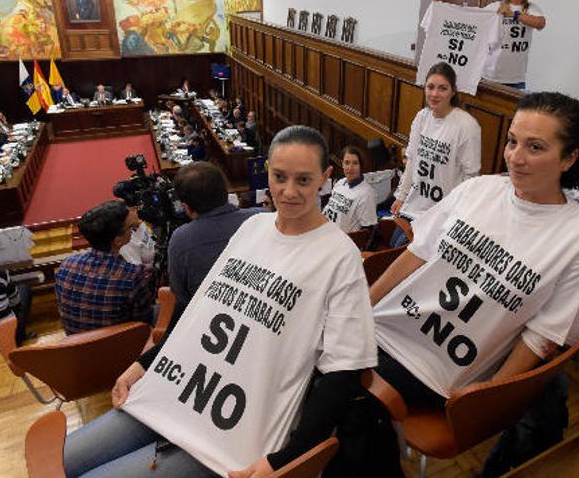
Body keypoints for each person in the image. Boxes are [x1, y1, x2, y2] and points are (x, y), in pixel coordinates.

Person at [63, 126, 377, 478]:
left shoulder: (339, 255)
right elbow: (198, 313)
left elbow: (344, 370)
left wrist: (286, 458)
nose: (289, 192)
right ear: (267, 171)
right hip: (176, 387)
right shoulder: (251, 228)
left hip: (232, 428)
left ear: (325, 178)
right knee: (62, 461)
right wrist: (146, 364)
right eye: (279, 177)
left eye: (304, 180)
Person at [370, 93, 579, 453]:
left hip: (435, 368)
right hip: (385, 324)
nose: (516, 157)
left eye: (536, 147)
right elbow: (415, 255)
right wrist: (362, 305)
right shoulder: (479, 188)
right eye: (513, 141)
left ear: (570, 158)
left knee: (340, 401)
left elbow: (544, 335)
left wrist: (484, 400)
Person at [164, 162, 261, 330]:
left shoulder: (180, 239)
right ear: (227, 191)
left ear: (186, 207)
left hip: (208, 326)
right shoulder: (263, 218)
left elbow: (180, 295)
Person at [390, 62, 482, 233]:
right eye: (430, 87)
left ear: (453, 91)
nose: (434, 94)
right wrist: (401, 196)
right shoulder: (422, 117)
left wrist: (453, 213)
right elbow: (411, 160)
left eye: (442, 88)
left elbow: (471, 177)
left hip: (441, 215)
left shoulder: (467, 126)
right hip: (413, 206)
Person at [55, 200, 153, 335]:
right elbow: (144, 323)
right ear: (118, 241)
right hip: (120, 348)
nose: (131, 231)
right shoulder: (132, 275)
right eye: (130, 228)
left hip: (76, 347)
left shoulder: (66, 265)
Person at [482, 0, 546, 90]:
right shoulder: (495, 6)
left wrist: (514, 14)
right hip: (490, 73)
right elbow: (476, 22)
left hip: (515, 78)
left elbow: (540, 23)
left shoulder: (531, 8)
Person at [323, 146, 378, 233]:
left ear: (361, 166)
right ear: (342, 164)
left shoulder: (367, 193)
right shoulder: (340, 183)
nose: (350, 168)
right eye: (347, 163)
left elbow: (368, 231)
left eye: (355, 163)